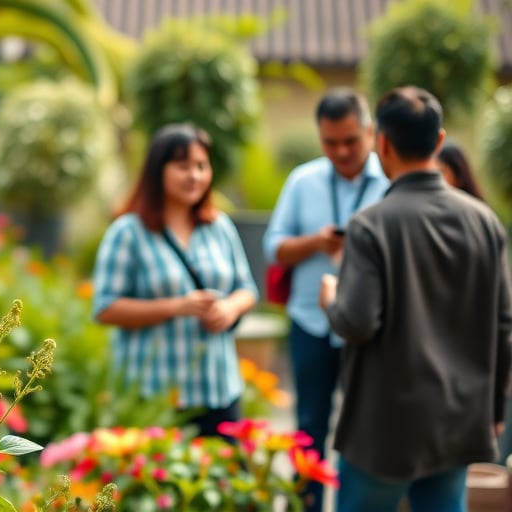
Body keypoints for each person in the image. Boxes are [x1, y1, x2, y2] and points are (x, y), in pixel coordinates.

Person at [319, 85, 512, 512]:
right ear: (439, 141)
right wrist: (494, 408)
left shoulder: (371, 226)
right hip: (457, 422)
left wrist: (331, 299)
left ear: (381, 143)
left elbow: (357, 322)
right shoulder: (485, 222)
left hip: (382, 428)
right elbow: (504, 326)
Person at [262, 88, 390, 512]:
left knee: (365, 431)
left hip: (369, 328)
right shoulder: (304, 180)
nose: (341, 151)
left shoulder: (392, 183)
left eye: (351, 141)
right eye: (330, 142)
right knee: (309, 427)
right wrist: (316, 243)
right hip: (310, 323)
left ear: (371, 133)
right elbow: (273, 247)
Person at [91, 122, 258, 437]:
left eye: (201, 166)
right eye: (183, 166)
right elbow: (105, 308)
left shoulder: (219, 226)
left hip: (218, 388)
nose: (194, 176)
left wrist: (230, 309)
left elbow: (247, 288)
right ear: (158, 171)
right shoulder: (128, 232)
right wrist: (174, 306)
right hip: (154, 394)